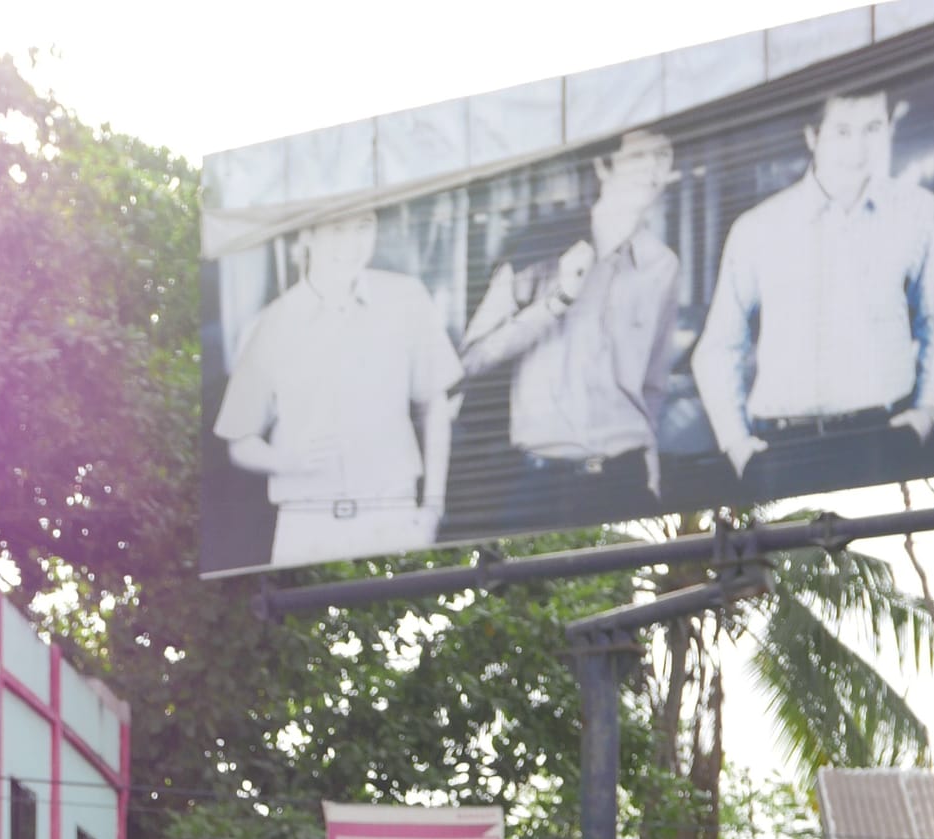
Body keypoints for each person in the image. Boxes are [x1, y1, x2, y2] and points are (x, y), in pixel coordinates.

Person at [691, 88, 934, 491]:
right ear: (813, 136)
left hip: (884, 438)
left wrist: (927, 411)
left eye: (872, 128)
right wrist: (737, 446)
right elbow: (717, 348)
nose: (858, 147)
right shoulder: (758, 228)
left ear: (889, 128)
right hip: (781, 446)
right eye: (842, 131)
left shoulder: (919, 212)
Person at [214, 212, 463, 567]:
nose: (352, 243)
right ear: (308, 235)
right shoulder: (270, 324)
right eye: (338, 229)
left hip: (392, 514)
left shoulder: (405, 298)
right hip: (306, 524)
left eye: (364, 227)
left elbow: (435, 404)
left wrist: (433, 508)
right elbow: (239, 442)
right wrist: (289, 461)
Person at [457, 130, 681, 509]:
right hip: (542, 480)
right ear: (603, 166)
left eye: (662, 155)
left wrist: (651, 466)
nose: (652, 168)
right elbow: (471, 360)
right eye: (638, 157)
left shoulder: (663, 265)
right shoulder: (539, 246)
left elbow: (654, 382)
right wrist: (555, 301)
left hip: (626, 476)